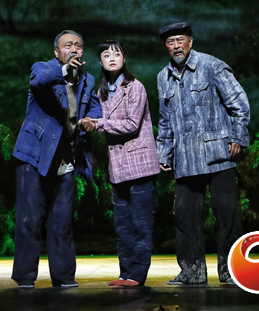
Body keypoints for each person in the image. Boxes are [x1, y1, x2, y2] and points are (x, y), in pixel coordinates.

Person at [155, 22, 250, 285]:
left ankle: (232, 270)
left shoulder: (211, 66)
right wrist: (164, 152)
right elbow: (165, 120)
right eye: (171, 42)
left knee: (227, 215)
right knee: (184, 215)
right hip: (185, 159)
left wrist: (237, 136)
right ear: (166, 47)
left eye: (180, 40)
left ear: (190, 41)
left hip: (218, 154)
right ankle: (192, 271)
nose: (176, 46)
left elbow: (239, 103)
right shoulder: (163, 77)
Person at [11, 30, 102, 289]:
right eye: (68, 45)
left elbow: (95, 105)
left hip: (65, 159)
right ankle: (25, 277)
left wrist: (92, 118)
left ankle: (63, 277)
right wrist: (64, 71)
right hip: (34, 157)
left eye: (78, 45)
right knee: (29, 219)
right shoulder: (43, 69)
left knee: (62, 221)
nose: (74, 49)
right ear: (56, 51)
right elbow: (39, 82)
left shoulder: (87, 79)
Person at [82, 40, 161, 287]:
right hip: (118, 167)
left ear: (124, 59)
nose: (112, 58)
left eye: (116, 54)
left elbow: (131, 124)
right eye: (106, 55)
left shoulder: (135, 87)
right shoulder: (101, 92)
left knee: (140, 224)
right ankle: (125, 273)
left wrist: (98, 123)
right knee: (122, 225)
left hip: (140, 164)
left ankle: (137, 275)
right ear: (100, 61)